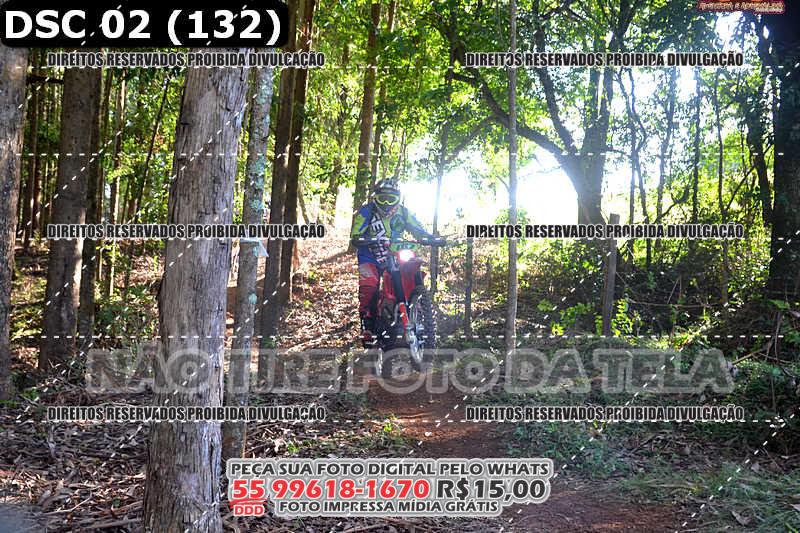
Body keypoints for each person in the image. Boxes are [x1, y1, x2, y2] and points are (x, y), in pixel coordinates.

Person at [351, 178, 434, 346]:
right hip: (370, 255)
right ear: (376, 198)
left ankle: (418, 310)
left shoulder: (403, 213)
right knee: (369, 285)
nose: (387, 203)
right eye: (383, 198)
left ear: (398, 198)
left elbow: (418, 229)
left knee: (412, 268)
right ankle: (367, 324)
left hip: (396, 253)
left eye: (391, 198)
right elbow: (356, 232)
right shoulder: (367, 211)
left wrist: (430, 238)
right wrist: (359, 238)